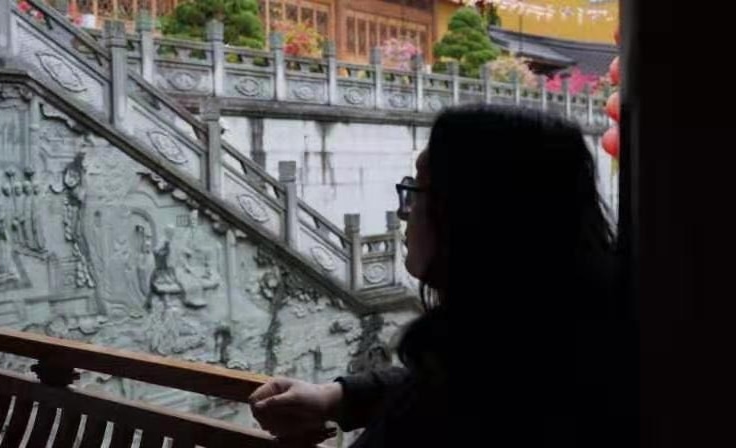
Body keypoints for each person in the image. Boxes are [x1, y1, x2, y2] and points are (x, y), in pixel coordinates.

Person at [249, 105, 634, 447]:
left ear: (471, 213)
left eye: (416, 190)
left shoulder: (479, 408)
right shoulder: (557, 341)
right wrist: (338, 397)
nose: (404, 211)